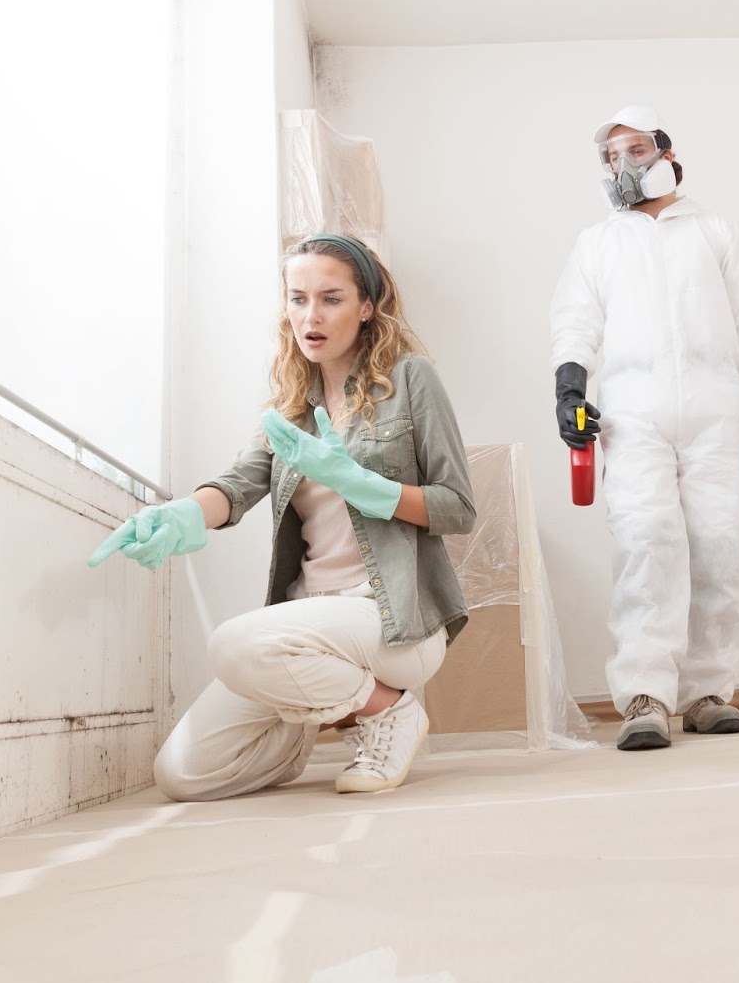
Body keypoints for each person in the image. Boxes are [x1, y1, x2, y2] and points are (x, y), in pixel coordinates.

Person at [90, 234, 475, 799]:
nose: (310, 315)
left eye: (331, 298)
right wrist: (179, 514)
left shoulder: (411, 378)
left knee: (233, 644)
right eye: (297, 298)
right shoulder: (291, 407)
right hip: (307, 621)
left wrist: (361, 484)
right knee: (183, 775)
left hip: (391, 616)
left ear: (367, 307)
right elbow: (238, 484)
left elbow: (458, 507)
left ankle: (388, 712)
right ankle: (307, 717)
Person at [549, 105, 739, 751]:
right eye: (610, 157)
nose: (621, 166)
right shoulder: (598, 244)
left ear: (665, 151)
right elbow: (575, 323)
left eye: (633, 150)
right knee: (646, 542)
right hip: (632, 417)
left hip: (716, 412)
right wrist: (569, 391)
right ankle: (646, 694)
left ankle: (707, 691)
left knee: (719, 543)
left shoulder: (715, 232)